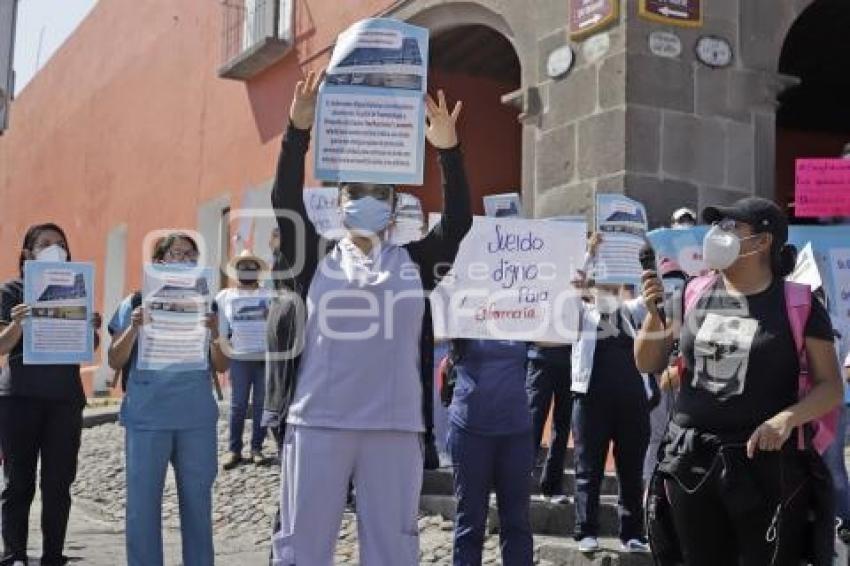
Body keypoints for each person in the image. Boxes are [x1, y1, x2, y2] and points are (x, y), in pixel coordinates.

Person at [264, 71, 471, 565]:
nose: (369, 201)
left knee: (393, 549)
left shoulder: (416, 263)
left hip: (394, 427)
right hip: (317, 423)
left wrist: (449, 151)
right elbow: (284, 201)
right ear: (339, 204)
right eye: (356, 192)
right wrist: (297, 132)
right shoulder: (311, 257)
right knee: (302, 547)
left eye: (381, 194)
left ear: (395, 207)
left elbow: (459, 221)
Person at [636, 197, 843, 565]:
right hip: (691, 464)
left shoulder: (800, 304)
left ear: (763, 241)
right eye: (717, 226)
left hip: (765, 466)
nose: (718, 234)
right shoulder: (691, 293)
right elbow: (647, 361)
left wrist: (787, 419)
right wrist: (654, 315)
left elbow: (831, 387)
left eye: (732, 227)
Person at [107, 233, 229, 566]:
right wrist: (133, 328)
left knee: (198, 506)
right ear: (159, 261)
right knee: (142, 507)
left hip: (195, 417)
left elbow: (222, 365)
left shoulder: (212, 305)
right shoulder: (133, 302)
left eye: (191, 255)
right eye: (178, 253)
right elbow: (115, 360)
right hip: (147, 417)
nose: (185, 259)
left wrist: (215, 332)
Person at [0, 223, 102, 566]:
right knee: (18, 481)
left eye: (60, 243)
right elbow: (2, 345)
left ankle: (53, 555)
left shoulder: (77, 286)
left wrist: (89, 328)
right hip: (19, 398)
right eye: (45, 243)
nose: (54, 248)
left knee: (58, 483)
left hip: (64, 398)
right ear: (28, 252)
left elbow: (90, 347)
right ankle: (14, 553)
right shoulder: (12, 291)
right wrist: (19, 323)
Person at [570, 236, 652, 554]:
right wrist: (589, 253)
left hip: (632, 402)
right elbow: (572, 286)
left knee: (631, 470)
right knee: (587, 467)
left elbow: (653, 296)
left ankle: (632, 533)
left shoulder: (632, 312)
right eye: (603, 284)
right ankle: (585, 532)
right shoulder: (582, 313)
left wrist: (646, 260)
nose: (609, 289)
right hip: (591, 400)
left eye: (614, 284)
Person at [447, 339, 533, 565]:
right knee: (470, 520)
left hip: (516, 431)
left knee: (517, 520)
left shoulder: (523, 310)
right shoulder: (463, 307)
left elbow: (558, 334)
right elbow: (432, 331)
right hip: (469, 429)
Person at [217, 250, 275, 469]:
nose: (247, 271)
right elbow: (221, 329)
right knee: (237, 405)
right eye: (243, 266)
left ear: (258, 271)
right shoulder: (224, 297)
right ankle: (234, 450)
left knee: (261, 405)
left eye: (252, 267)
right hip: (239, 358)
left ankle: (257, 448)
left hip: (264, 358)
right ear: (236, 271)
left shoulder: (270, 295)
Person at [526, 341, 572, 503]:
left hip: (571, 359)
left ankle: (552, 486)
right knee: (532, 422)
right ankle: (518, 482)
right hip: (539, 356)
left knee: (563, 425)